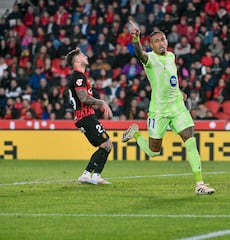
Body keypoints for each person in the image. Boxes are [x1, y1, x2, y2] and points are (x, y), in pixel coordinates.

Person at [122, 20, 215, 195]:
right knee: (153, 152)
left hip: (177, 107)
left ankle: (200, 184)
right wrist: (136, 40)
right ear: (151, 45)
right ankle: (135, 133)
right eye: (157, 41)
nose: (161, 43)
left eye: (163, 39)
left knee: (191, 142)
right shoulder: (150, 58)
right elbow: (140, 54)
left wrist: (179, 91)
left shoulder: (171, 56)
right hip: (158, 111)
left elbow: (170, 78)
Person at [65, 47, 113, 185]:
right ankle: (86, 175)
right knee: (106, 144)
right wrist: (102, 102)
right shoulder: (78, 76)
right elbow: (83, 97)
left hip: (85, 117)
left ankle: (95, 176)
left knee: (107, 144)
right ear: (76, 60)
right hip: (85, 117)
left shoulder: (79, 76)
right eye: (82, 55)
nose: (85, 56)